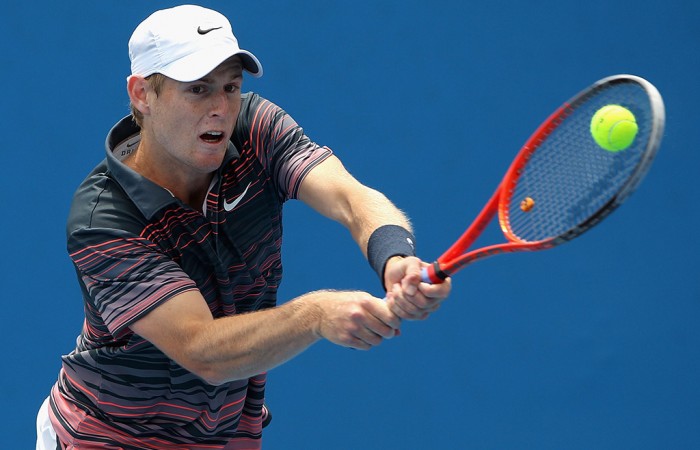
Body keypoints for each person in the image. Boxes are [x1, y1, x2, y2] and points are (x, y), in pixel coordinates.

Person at [37, 5, 451, 449]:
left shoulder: (256, 129)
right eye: (197, 89)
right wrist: (316, 315)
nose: (220, 108)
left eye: (230, 87)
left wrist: (395, 256)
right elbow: (203, 350)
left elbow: (350, 198)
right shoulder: (104, 220)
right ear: (142, 94)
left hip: (227, 435)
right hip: (109, 437)